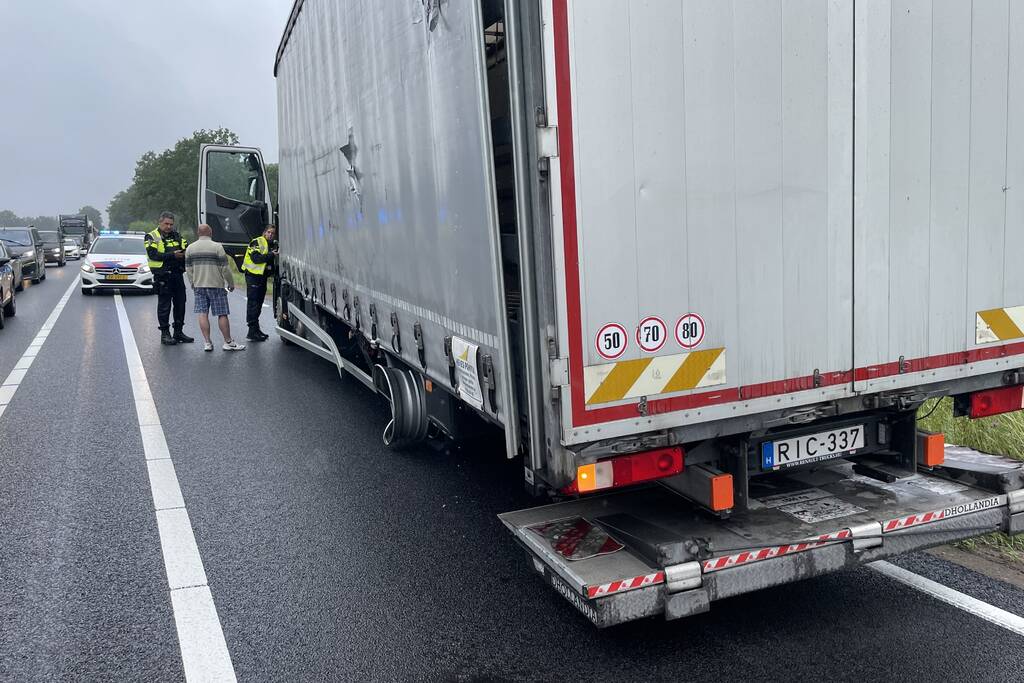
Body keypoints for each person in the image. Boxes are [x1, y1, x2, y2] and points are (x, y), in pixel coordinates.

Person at [184, 224, 246, 352]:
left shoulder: (190, 248)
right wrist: (231, 283)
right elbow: (225, 268)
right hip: (216, 285)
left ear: (198, 233)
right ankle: (228, 342)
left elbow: (188, 269)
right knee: (222, 314)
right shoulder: (217, 247)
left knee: (202, 313)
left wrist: (192, 283)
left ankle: (207, 342)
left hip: (199, 286)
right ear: (210, 232)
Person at [145, 211, 194, 345]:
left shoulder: (177, 235)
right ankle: (165, 334)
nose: (168, 226)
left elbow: (186, 249)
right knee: (164, 306)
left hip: (177, 274)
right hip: (162, 275)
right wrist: (173, 255)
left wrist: (182, 254)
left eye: (171, 224)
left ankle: (178, 332)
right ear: (160, 222)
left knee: (180, 303)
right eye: (166, 224)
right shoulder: (151, 236)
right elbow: (154, 255)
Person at [241, 224, 278, 341]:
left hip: (261, 278)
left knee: (259, 304)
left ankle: (256, 330)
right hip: (253, 276)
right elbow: (256, 259)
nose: (270, 235)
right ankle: (252, 331)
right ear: (264, 232)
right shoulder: (257, 242)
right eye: (269, 232)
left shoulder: (271, 244)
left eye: (272, 233)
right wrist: (272, 255)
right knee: (253, 304)